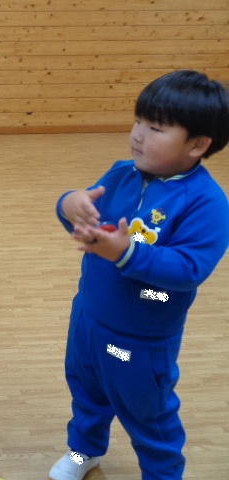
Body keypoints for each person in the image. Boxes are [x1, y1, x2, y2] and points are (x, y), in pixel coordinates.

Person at [50, 70, 229, 480]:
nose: (137, 135)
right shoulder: (121, 174)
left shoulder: (207, 203)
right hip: (88, 319)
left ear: (197, 144)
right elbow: (84, 219)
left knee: (149, 418)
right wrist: (69, 204)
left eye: (155, 128)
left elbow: (188, 269)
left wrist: (126, 253)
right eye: (138, 121)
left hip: (140, 337)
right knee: (86, 393)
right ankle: (84, 451)